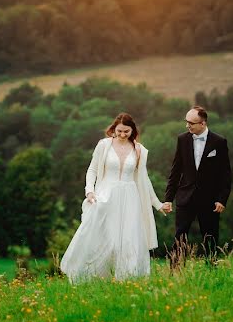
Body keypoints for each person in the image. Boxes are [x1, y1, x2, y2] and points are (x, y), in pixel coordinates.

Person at [59, 113, 170, 282]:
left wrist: (158, 204)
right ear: (114, 128)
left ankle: (126, 279)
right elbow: (92, 170)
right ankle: (92, 276)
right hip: (106, 196)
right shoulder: (104, 145)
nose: (123, 135)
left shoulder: (139, 150)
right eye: (120, 131)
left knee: (128, 240)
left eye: (127, 131)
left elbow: (144, 180)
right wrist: (89, 191)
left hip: (130, 199)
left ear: (132, 130)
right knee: (102, 237)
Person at [163, 105, 232, 264]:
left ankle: (212, 270)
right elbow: (176, 171)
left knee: (210, 237)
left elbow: (225, 174)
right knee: (180, 236)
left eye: (191, 123)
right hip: (185, 197)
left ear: (203, 123)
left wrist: (222, 199)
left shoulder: (219, 142)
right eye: (186, 122)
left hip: (210, 199)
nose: (187, 126)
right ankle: (175, 270)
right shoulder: (182, 139)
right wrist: (168, 199)